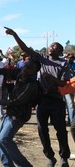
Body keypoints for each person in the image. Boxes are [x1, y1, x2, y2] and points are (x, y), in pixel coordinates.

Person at [5, 26, 70, 167]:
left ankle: (64, 157)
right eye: (51, 45)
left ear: (59, 51)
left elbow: (63, 83)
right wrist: (14, 34)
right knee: (42, 129)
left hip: (56, 101)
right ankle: (50, 157)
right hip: (42, 100)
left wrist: (52, 79)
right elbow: (26, 49)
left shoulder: (64, 63)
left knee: (60, 130)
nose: (50, 47)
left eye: (54, 46)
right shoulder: (42, 58)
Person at [0, 59, 41, 167]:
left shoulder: (31, 85)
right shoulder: (20, 73)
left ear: (34, 72)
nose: (26, 68)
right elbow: (4, 71)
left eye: (30, 67)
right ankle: (8, 165)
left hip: (19, 115)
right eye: (26, 65)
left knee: (4, 139)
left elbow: (17, 101)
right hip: (10, 113)